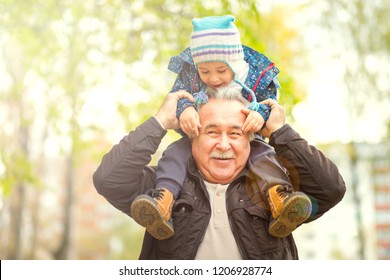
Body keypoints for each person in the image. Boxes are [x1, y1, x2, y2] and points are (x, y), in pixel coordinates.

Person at [92, 89, 346, 260]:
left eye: (235, 134)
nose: (224, 145)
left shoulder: (276, 192)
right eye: (212, 132)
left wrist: (280, 132)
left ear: (251, 140)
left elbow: (330, 189)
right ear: (192, 137)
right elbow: (109, 179)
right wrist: (160, 122)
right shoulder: (162, 186)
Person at [129, 15, 312, 240]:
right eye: (205, 72)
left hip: (246, 136)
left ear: (233, 64)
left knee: (264, 156)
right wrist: (185, 109)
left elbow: (267, 101)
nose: (213, 78)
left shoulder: (252, 75)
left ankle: (279, 199)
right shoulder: (190, 75)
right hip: (198, 134)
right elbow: (179, 96)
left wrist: (259, 114)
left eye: (221, 71)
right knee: (174, 154)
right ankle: (163, 200)